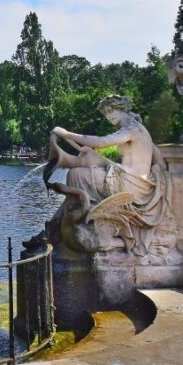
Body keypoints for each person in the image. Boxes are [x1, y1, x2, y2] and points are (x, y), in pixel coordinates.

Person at [46, 95, 169, 255]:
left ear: (122, 108)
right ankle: (61, 226)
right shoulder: (139, 128)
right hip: (130, 178)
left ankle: (73, 225)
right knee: (85, 163)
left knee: (76, 175)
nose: (108, 115)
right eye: (105, 113)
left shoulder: (132, 129)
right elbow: (157, 156)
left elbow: (101, 142)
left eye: (111, 110)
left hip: (133, 184)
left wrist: (67, 134)